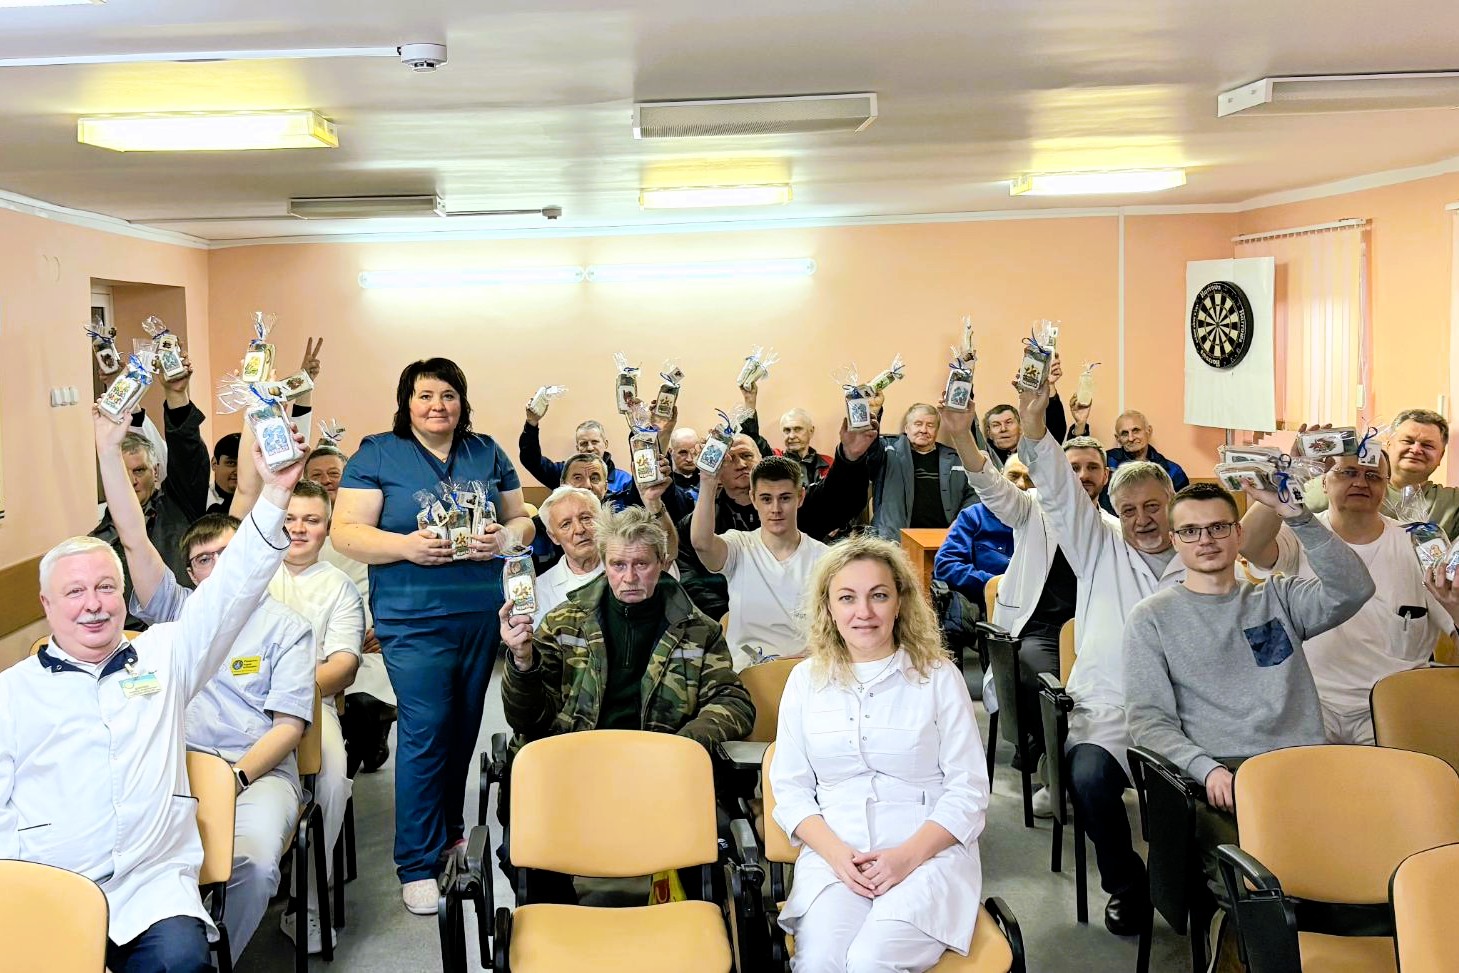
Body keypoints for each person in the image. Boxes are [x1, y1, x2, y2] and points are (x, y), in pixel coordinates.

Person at [0, 423, 304, 973]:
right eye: (75, 592)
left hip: (150, 891)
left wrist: (276, 493)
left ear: (124, 596)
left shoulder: (165, 654)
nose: (93, 604)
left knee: (182, 961)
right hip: (50, 889)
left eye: (106, 587)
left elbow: (231, 591)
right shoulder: (11, 692)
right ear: (47, 604)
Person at [332, 357, 535, 915]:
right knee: (426, 728)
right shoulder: (378, 453)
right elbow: (345, 532)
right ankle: (417, 862)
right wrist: (405, 547)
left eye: (448, 395)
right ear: (407, 402)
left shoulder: (485, 451)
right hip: (412, 616)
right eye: (424, 395)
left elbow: (524, 520)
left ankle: (448, 833)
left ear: (462, 402)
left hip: (478, 611)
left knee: (463, 727)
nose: (437, 406)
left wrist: (505, 537)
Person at [498, 505, 755, 900]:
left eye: (641, 564)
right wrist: (522, 662)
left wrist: (682, 747)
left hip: (661, 774)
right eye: (618, 565)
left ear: (662, 562)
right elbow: (527, 718)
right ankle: (558, 917)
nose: (629, 577)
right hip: (575, 773)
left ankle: (686, 917)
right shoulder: (564, 623)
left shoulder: (697, 630)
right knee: (524, 846)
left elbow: (732, 700)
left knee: (714, 846)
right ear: (604, 563)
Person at [771, 536, 988, 972]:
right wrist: (837, 856)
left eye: (879, 595)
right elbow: (790, 791)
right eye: (847, 598)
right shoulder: (804, 681)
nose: (864, 612)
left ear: (900, 602)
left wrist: (905, 858)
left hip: (926, 855)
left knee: (870, 961)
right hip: (836, 856)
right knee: (820, 962)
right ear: (828, 607)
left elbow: (968, 791)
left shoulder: (939, 677)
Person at [1017, 377, 1185, 936]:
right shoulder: (1096, 546)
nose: (1143, 519)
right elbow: (1059, 491)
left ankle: (1192, 885)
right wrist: (1036, 426)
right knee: (1087, 776)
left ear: (1172, 507)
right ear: (1114, 511)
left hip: (1189, 715)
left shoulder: (1202, 555)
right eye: (1130, 509)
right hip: (1110, 709)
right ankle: (1126, 884)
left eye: (1154, 506)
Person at [1241, 452, 1459, 744]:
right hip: (1313, 701)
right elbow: (1248, 545)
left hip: (1394, 704)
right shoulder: (1302, 532)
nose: (1361, 483)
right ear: (1323, 483)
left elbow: (1454, 627)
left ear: (1386, 487)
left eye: (1373, 476)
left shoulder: (1418, 543)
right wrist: (1282, 478)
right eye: (1348, 473)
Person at [267, 480, 364, 953]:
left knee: (331, 775)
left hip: (312, 706)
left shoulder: (338, 587)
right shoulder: (251, 574)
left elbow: (343, 666)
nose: (298, 529)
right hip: (241, 707)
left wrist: (289, 695)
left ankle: (304, 903)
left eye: (311, 520)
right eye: (289, 518)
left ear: (327, 528)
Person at [674, 421, 879, 619]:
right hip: (732, 625)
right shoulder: (706, 525)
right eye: (731, 459)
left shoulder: (801, 508)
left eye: (747, 455)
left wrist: (850, 457)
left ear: (761, 459)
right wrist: (725, 615)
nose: (741, 465)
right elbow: (693, 570)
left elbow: (841, 498)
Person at [306, 443, 398, 777]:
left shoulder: (375, 528)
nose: (326, 481)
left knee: (362, 705)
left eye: (334, 473)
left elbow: (394, 586)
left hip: (372, 641)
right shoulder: (298, 536)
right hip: (316, 647)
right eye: (316, 476)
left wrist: (385, 631)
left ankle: (367, 744)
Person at [691, 456, 829, 670]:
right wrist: (708, 481)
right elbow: (702, 543)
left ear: (800, 497)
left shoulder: (825, 558)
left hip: (806, 671)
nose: (775, 508)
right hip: (747, 673)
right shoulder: (739, 546)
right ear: (753, 499)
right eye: (766, 499)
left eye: (785, 498)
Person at [91, 360, 210, 595]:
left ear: (155, 472)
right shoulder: (98, 543)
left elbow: (186, 455)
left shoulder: (178, 506)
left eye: (139, 471)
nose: (132, 481)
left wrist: (176, 394)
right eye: (123, 474)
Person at [1303, 409, 1459, 536]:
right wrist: (1299, 468)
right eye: (1408, 441)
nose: (1416, 449)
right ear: (1389, 445)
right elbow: (1293, 512)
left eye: (1427, 445)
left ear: (1441, 456)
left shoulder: (1452, 502)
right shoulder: (1345, 483)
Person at [866, 403, 979, 539]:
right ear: (907, 428)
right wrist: (873, 413)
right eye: (918, 424)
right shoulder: (887, 450)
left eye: (930, 425)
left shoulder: (957, 459)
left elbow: (975, 493)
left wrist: (962, 522)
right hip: (893, 540)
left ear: (937, 430)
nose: (924, 430)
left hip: (944, 541)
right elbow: (870, 451)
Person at [519, 398, 632, 492]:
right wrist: (531, 423)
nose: (590, 448)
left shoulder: (624, 481)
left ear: (605, 444)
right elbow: (531, 460)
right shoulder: (563, 473)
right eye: (584, 443)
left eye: (594, 442)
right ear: (577, 448)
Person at [1102, 411, 1189, 512]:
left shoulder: (1172, 471)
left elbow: (1186, 510)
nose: (1131, 438)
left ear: (1149, 431)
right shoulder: (1106, 461)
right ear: (1118, 438)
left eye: (1136, 431)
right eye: (1124, 434)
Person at [780, 407, 833, 485]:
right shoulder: (774, 464)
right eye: (787, 430)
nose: (791, 436)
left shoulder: (829, 464)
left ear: (811, 431)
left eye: (797, 429)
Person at [206, 432, 241, 513]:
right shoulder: (199, 501)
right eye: (231, 463)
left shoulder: (260, 504)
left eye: (245, 464)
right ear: (214, 464)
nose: (238, 471)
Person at [667, 426, 703, 493]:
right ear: (671, 452)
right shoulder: (665, 479)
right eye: (683, 453)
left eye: (694, 452)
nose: (689, 459)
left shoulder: (707, 476)